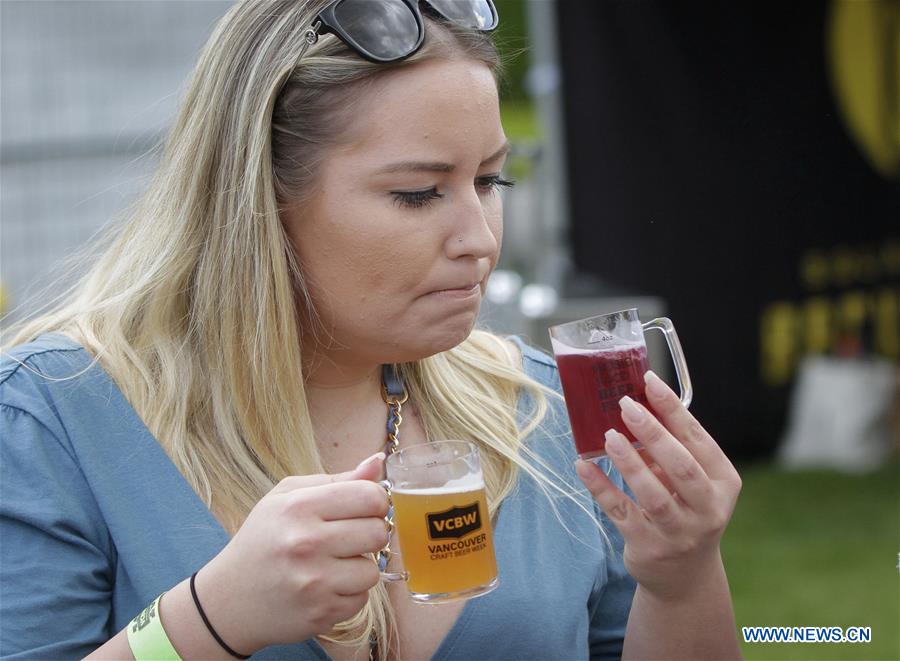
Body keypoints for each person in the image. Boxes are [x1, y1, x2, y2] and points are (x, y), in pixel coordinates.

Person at [0, 0, 743, 659]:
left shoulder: (543, 406)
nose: (480, 239)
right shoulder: (55, 416)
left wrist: (681, 580)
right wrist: (206, 620)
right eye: (419, 193)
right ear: (258, 200)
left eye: (490, 180)